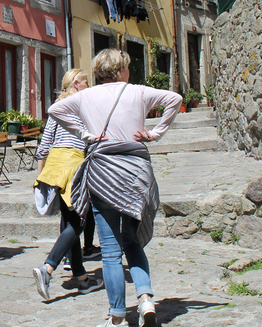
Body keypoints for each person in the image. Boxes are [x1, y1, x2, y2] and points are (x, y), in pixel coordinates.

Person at [48, 49, 182, 327]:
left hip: (103, 171)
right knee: (131, 241)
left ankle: (117, 315)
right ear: (122, 69)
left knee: (110, 250)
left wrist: (83, 133)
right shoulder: (137, 91)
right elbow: (175, 98)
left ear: (98, 72)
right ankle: (145, 298)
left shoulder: (84, 95)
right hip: (134, 172)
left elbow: (55, 110)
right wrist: (156, 133)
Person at [32, 69, 104, 300]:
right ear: (76, 83)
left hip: (55, 165)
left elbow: (44, 145)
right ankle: (48, 267)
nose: (88, 86)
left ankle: (81, 278)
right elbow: (90, 139)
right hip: (73, 164)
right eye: (86, 82)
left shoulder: (57, 107)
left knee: (70, 221)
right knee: (79, 222)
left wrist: (41, 174)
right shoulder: (81, 106)